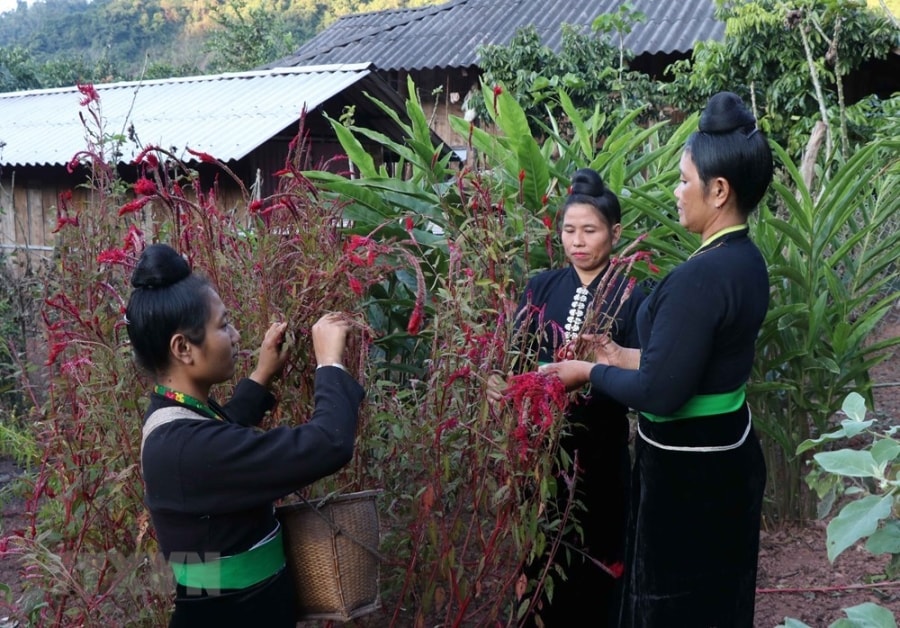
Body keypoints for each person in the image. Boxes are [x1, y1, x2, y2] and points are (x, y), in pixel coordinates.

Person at [541, 91, 773, 627]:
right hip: (727, 455)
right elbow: (690, 363)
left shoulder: (698, 278)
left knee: (675, 605)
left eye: (684, 180)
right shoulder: (744, 261)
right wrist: (622, 354)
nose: (676, 191)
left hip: (688, 475)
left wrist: (589, 372)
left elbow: (662, 392)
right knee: (719, 598)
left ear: (718, 191)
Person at [124, 242, 365, 627]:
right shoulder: (184, 449)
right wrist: (330, 364)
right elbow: (328, 443)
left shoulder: (173, 417)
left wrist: (261, 375)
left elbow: (223, 434)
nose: (235, 335)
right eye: (223, 325)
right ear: (184, 347)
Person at [488, 168, 645, 627]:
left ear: (615, 234)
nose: (578, 241)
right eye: (569, 230)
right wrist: (501, 381)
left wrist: (593, 370)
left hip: (600, 448)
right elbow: (512, 353)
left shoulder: (632, 294)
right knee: (540, 549)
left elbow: (640, 369)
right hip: (539, 447)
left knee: (598, 550)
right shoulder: (542, 286)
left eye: (590, 231)